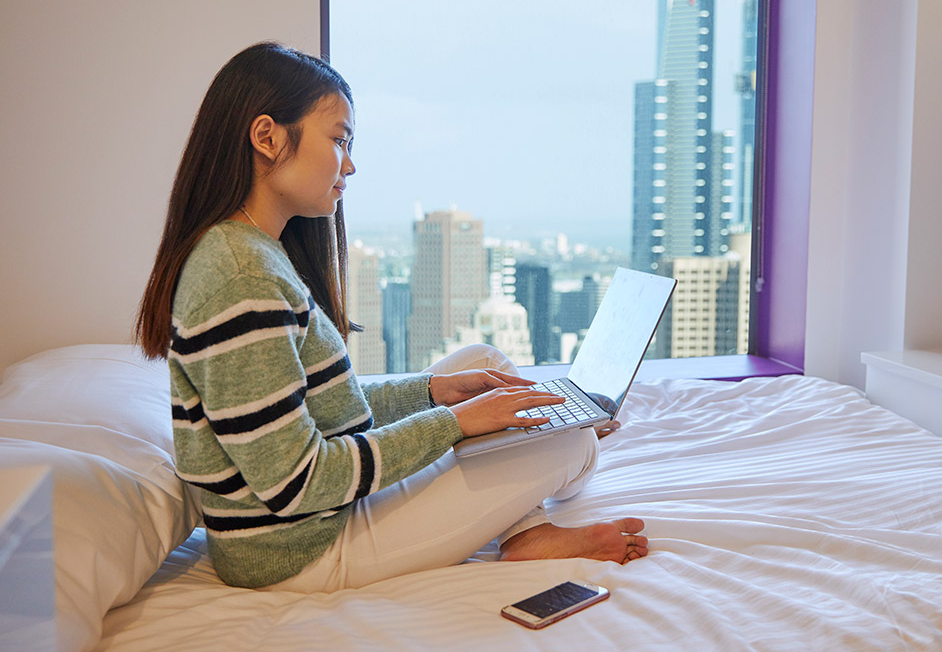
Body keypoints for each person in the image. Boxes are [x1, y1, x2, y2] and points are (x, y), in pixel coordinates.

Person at [135, 41, 647, 591]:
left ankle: (529, 524)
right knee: (569, 443)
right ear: (267, 137)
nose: (350, 164)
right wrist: (460, 422)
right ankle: (566, 456)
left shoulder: (255, 252)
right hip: (302, 551)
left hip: (321, 519)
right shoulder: (240, 277)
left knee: (486, 364)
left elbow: (330, 413)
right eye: (338, 140)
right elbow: (296, 482)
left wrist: (437, 393)